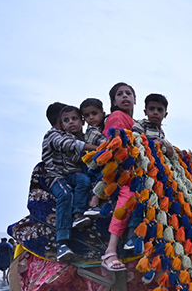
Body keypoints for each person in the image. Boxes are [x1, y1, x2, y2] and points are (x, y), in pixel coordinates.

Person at [42, 103, 100, 261]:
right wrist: (97, 148)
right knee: (65, 194)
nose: (71, 122)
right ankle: (62, 242)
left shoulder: (78, 136)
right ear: (60, 121)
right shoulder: (54, 135)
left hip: (72, 175)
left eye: (75, 119)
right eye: (66, 119)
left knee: (86, 180)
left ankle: (78, 214)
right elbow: (68, 146)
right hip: (56, 176)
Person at [99, 83, 137, 272]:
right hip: (120, 172)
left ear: (135, 100)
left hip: (136, 171)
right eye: (119, 94)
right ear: (114, 102)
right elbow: (118, 147)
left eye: (128, 93)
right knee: (129, 194)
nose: (124, 96)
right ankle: (110, 250)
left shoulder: (137, 123)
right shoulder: (117, 117)